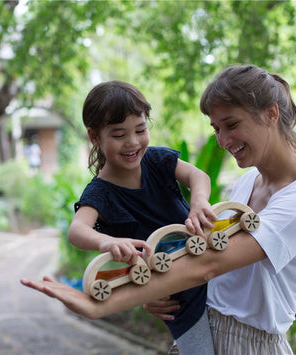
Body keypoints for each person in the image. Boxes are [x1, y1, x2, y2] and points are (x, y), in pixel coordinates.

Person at [21, 65, 296, 354]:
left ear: (271, 114)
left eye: (232, 125)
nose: (222, 141)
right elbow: (205, 263)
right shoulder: (249, 180)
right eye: (216, 129)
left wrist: (104, 304)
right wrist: (155, 290)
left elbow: (207, 266)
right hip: (199, 324)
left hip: (248, 343)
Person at [66, 80, 218, 355]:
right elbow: (77, 230)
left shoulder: (157, 161)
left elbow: (199, 176)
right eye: (119, 134)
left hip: (213, 266)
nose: (133, 142)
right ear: (94, 137)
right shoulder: (100, 193)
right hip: (178, 297)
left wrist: (198, 202)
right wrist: (105, 242)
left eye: (140, 129)